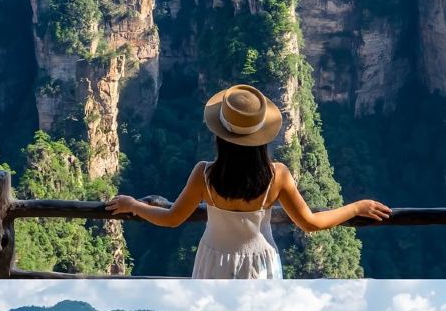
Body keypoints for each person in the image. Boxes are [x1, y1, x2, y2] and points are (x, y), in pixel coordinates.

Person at [105, 83, 391, 278]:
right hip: (260, 263)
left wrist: (134, 205)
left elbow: (171, 218)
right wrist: (356, 208)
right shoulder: (276, 175)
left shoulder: (205, 174)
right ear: (261, 136)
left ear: (220, 133)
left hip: (213, 260)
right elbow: (310, 223)